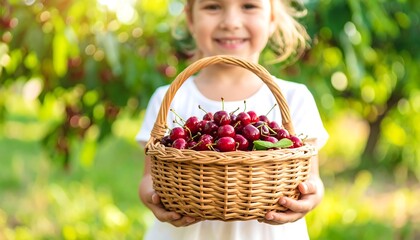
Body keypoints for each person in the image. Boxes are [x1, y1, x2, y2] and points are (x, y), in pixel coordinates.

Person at [136, 0, 329, 239]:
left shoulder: (294, 98)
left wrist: (309, 197)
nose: (230, 23)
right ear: (190, 19)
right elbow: (149, 179)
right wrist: (153, 198)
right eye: (213, 7)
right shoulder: (168, 99)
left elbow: (312, 179)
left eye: (248, 6)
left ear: (271, 19)